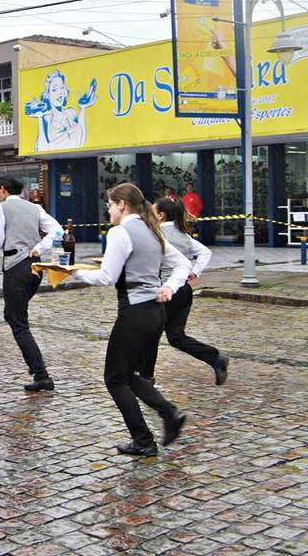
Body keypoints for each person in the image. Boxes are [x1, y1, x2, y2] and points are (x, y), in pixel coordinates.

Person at [71, 183, 192, 456]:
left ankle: (144, 440)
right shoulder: (152, 229)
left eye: (110, 205)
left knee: (114, 378)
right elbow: (184, 264)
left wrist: (73, 271)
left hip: (135, 312)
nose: (109, 209)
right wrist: (169, 287)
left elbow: (106, 277)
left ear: (122, 204)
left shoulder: (120, 232)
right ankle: (169, 413)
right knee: (129, 374)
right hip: (155, 314)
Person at [0, 175, 63, 392]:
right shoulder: (35, 208)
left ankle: (41, 374)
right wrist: (40, 248)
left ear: (3, 189)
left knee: (18, 322)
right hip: (34, 269)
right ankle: (39, 372)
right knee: (12, 315)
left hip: (16, 268)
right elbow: (58, 230)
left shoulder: (0, 209)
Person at [143, 197, 229, 386]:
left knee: (150, 336)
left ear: (160, 215)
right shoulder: (183, 235)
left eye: (153, 211)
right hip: (184, 291)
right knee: (176, 337)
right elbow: (206, 253)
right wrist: (194, 272)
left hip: (166, 292)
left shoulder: (156, 234)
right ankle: (215, 358)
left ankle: (146, 379)